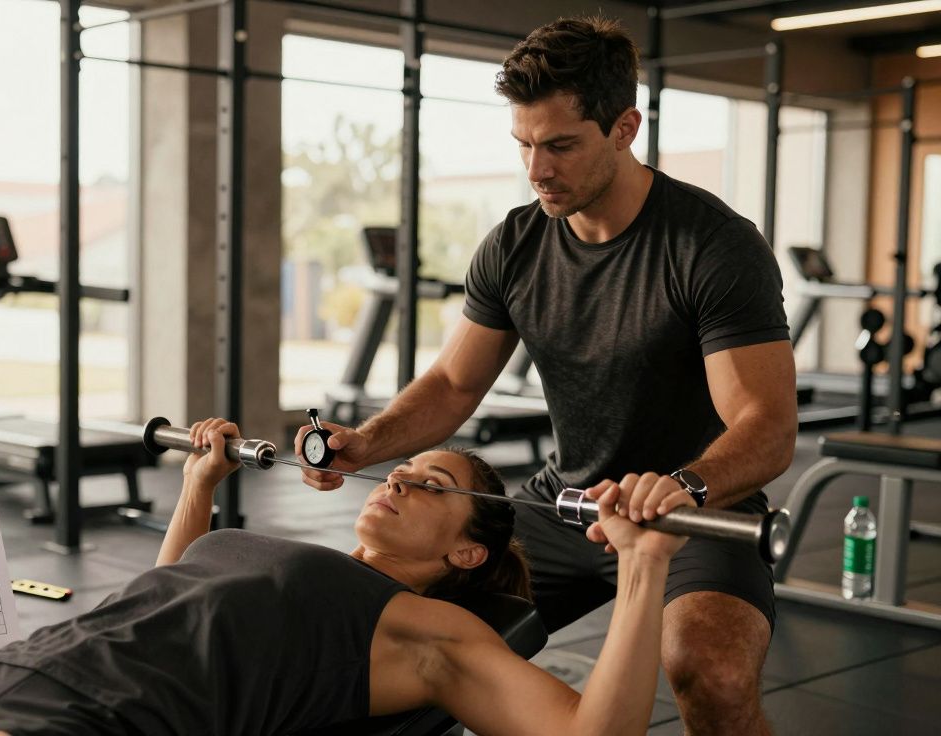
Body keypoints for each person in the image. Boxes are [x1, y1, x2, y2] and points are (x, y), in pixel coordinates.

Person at [296, 16, 796, 736]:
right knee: (395, 637)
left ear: (625, 127)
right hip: (563, 506)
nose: (538, 169)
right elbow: (454, 384)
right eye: (524, 145)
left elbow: (767, 427)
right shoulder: (515, 244)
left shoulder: (712, 246)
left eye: (561, 145)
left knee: (710, 674)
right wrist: (365, 443)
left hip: (693, 508)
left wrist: (681, 486)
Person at [0, 418, 694, 736]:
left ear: (465, 552)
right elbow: (168, 597)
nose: (398, 481)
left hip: (81, 724)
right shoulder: (272, 550)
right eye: (405, 471)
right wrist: (201, 482)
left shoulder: (422, 632)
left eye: (429, 483)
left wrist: (645, 567)